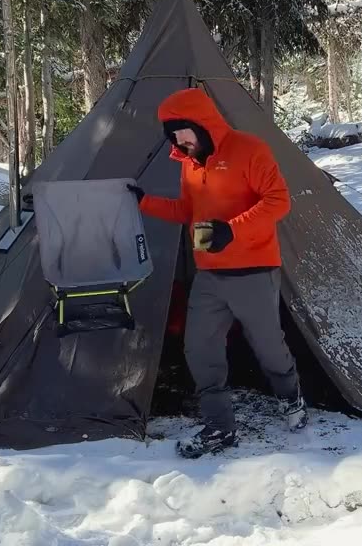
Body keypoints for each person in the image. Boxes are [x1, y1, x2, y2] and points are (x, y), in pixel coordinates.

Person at [127, 87, 305, 458]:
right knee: (199, 348)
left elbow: (278, 200)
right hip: (209, 273)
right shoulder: (190, 165)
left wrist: (232, 229)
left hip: (254, 269)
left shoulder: (249, 149)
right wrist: (145, 202)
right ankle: (221, 427)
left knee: (269, 347)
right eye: (173, 135)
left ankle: (291, 396)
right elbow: (187, 212)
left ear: (202, 124)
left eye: (183, 132)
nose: (179, 141)